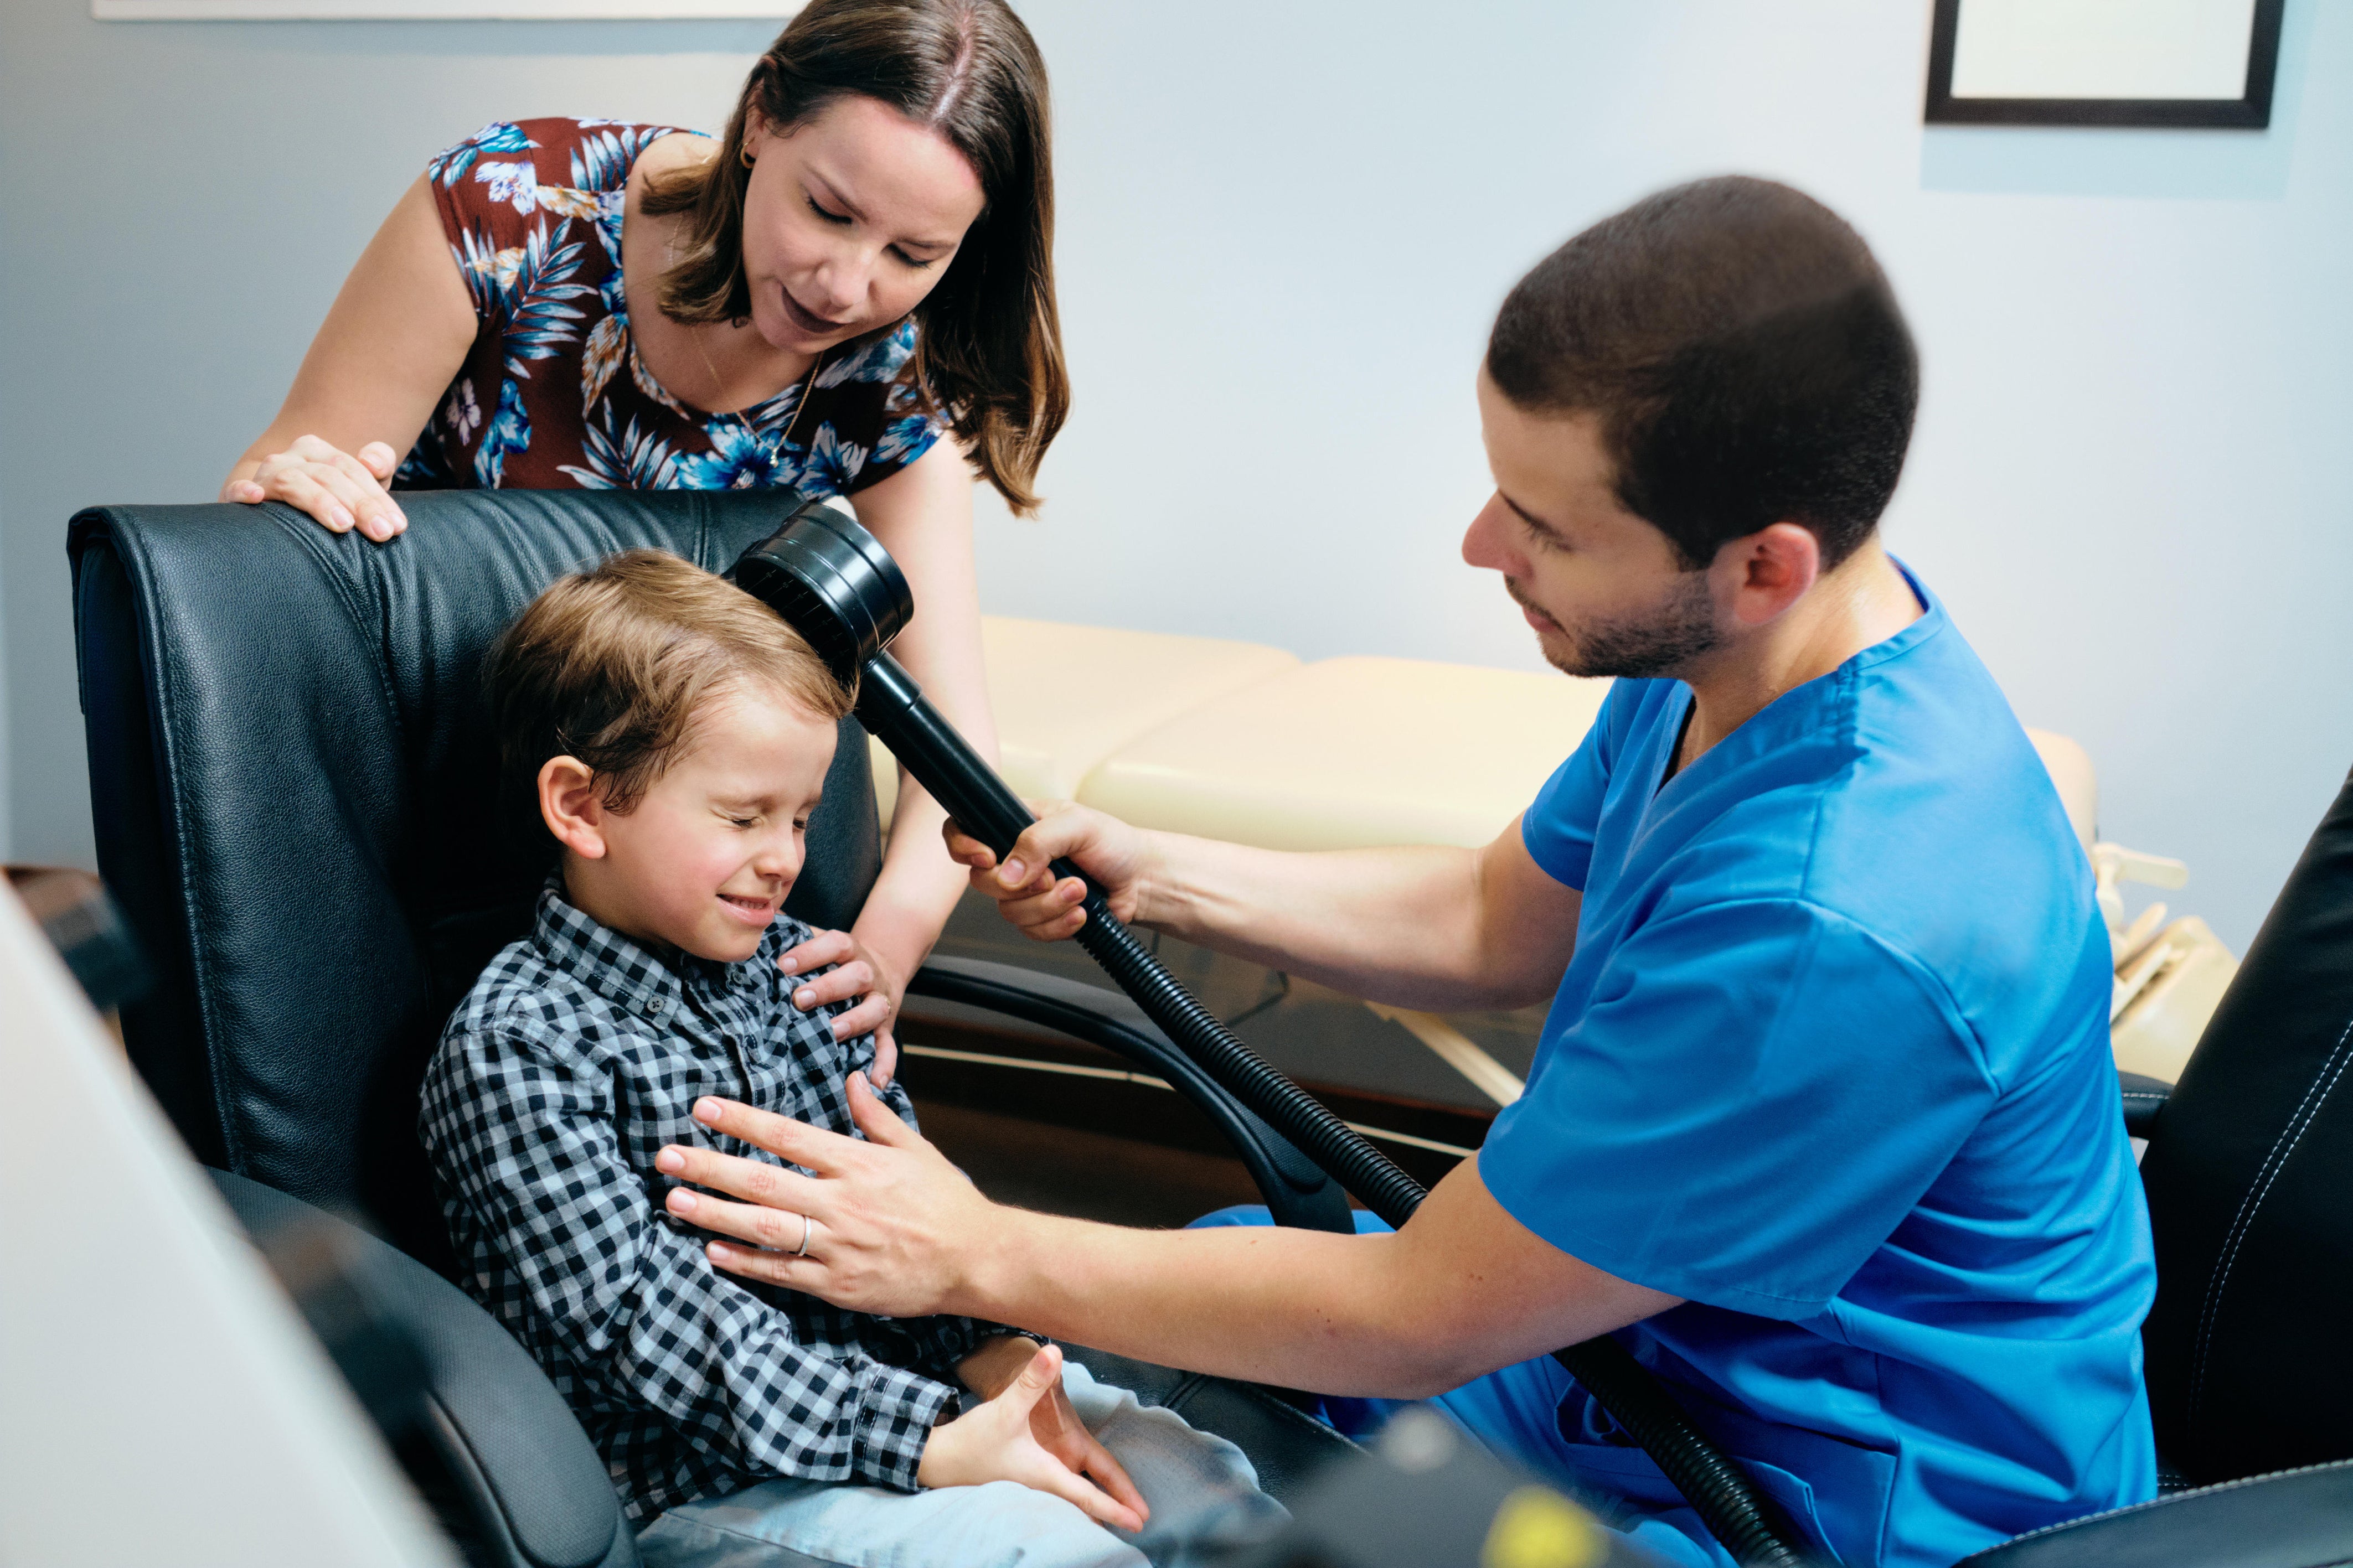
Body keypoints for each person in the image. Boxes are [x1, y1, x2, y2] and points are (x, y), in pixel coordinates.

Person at [641, 178, 2160, 1568]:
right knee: (1205, 1295)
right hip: (1614, 1364)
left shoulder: (1844, 918)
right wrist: (1162, 870)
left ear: (1760, 560)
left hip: (1808, 1495)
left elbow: (1419, 1316)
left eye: (1546, 528)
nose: (1479, 542)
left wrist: (967, 1243)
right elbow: (1500, 919)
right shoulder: (1733, 655)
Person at [224, 0, 1064, 1086]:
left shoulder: (895, 369)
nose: (846, 285)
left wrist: (886, 947)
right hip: (416, 802)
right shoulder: (508, 209)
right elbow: (275, 517)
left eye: (914, 252)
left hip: (657, 890)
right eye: (827, 210)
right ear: (760, 117)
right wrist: (286, 487)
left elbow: (953, 741)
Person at [419, 550, 1286, 1568]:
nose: (785, 856)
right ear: (580, 805)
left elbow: (910, 1225)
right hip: (710, 1483)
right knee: (1044, 1552)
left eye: (800, 816)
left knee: (1203, 1491)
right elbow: (652, 1332)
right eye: (742, 817)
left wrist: (981, 1354)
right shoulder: (521, 1049)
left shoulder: (802, 973)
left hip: (903, 1396)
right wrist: (927, 1437)